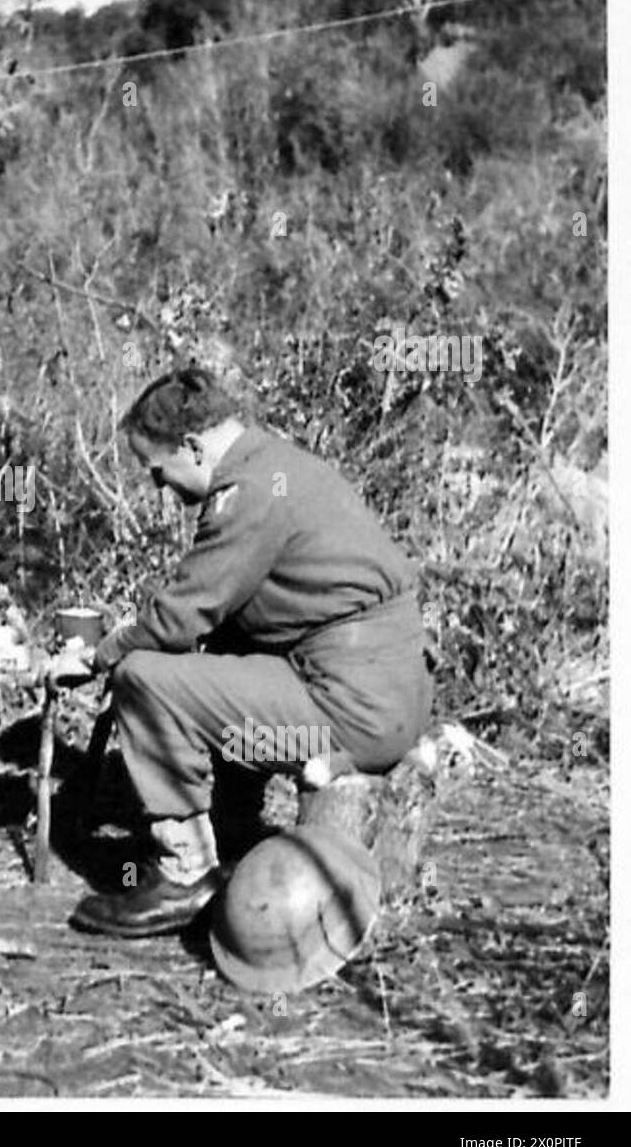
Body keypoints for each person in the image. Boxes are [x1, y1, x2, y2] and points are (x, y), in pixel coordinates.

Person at [57, 367, 433, 937]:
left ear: (192, 445)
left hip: (351, 708)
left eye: (158, 468)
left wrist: (95, 657)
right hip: (386, 695)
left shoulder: (250, 491)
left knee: (143, 675)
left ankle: (184, 873)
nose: (159, 485)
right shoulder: (277, 465)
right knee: (218, 656)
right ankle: (230, 829)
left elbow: (181, 616)